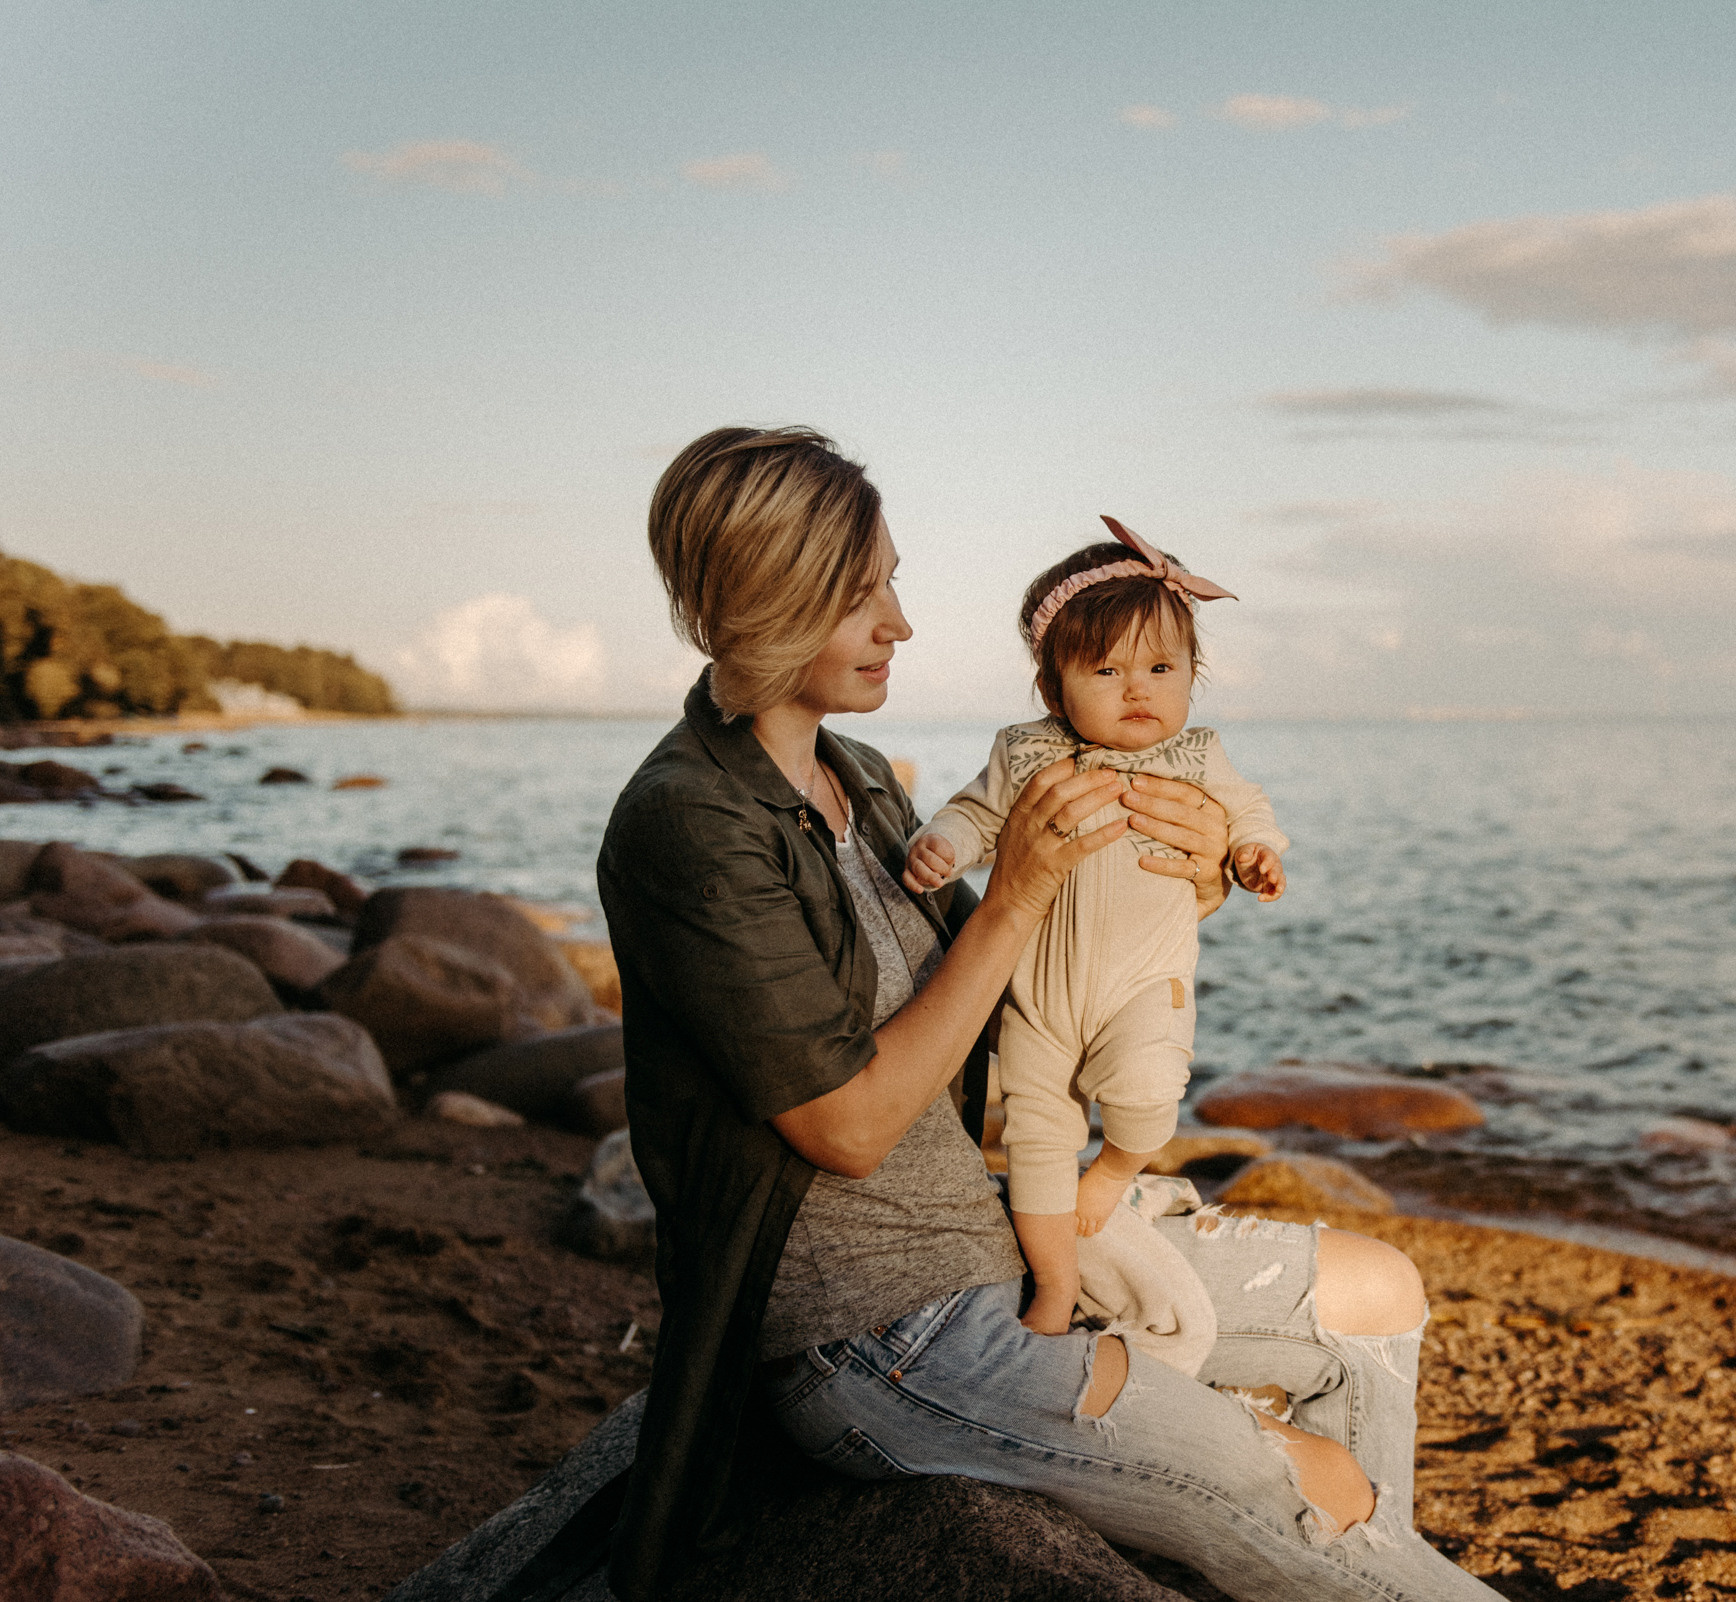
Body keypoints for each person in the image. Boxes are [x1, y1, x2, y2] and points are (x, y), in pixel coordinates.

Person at [598, 425, 1503, 1600]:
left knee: (1378, 1294)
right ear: (767, 598)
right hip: (880, 1334)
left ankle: (1361, 1571)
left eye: (892, 584)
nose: (900, 624)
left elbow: (1006, 991)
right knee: (1312, 1489)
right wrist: (1020, 886)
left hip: (996, 1237)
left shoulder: (858, 779)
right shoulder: (689, 821)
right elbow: (847, 1126)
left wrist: (1188, 880)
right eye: (861, 595)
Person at [901, 517, 1289, 1336]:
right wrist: (944, 843)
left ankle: (1114, 1170)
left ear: (1191, 676)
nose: (1137, 689)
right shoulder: (1025, 753)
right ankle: (1054, 1285)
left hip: (1145, 982)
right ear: (1053, 691)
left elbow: (1248, 810)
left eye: (1160, 668)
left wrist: (1253, 853)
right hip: (1038, 1000)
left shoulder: (1197, 757)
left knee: (1149, 1092)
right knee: (1037, 1145)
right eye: (1106, 670)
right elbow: (975, 813)